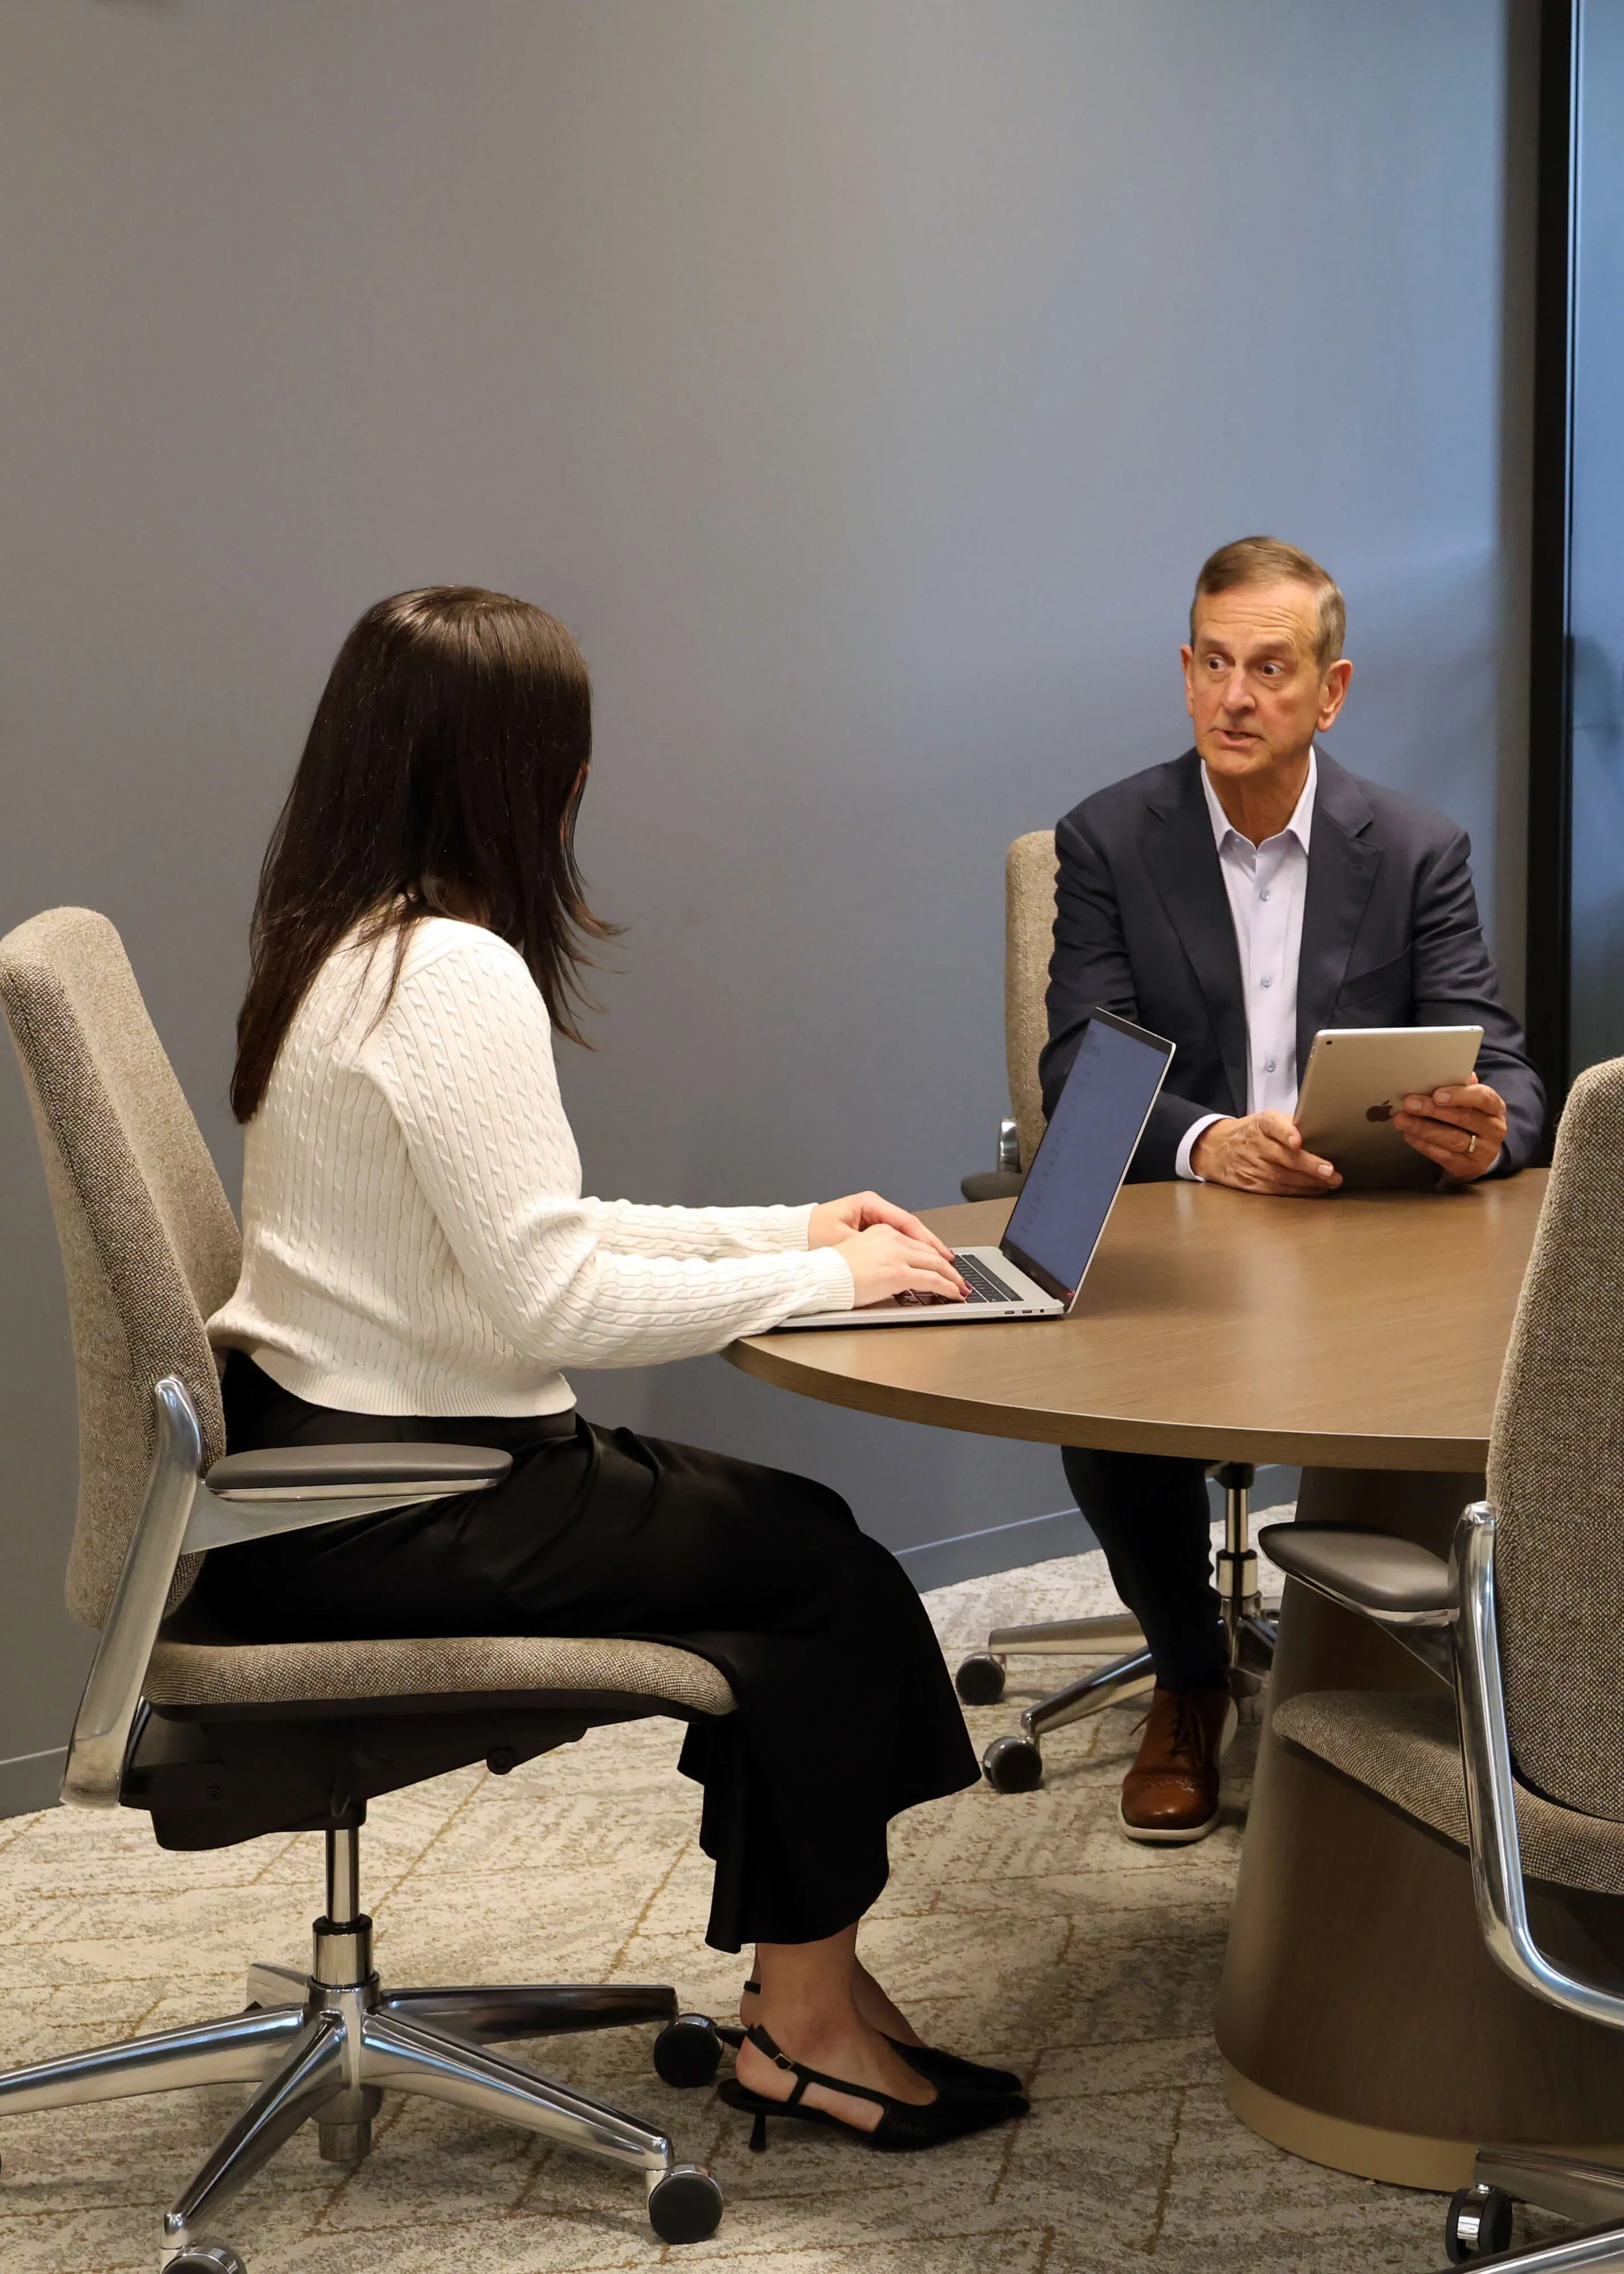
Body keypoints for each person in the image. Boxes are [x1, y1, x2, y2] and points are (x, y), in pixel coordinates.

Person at [201, 585, 1026, 2153]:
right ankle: (805, 2024)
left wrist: (782, 1229)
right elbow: (552, 1296)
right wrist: (819, 1279)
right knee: (824, 1576)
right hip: (403, 1498)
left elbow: (529, 1236)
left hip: (320, 1482)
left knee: (787, 1563)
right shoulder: (451, 971)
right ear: (522, 776)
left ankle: (810, 1998)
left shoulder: (340, 946)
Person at [1040, 536, 1544, 1845]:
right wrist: (1208, 1139)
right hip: (1188, 1231)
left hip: (1366, 1242)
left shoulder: (1416, 847)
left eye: (1269, 668)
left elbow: (1507, 1076)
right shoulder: (1105, 837)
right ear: (1184, 669)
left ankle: (1392, 1684)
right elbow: (1074, 1072)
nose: (1233, 697)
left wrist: (1478, 1133)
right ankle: (1187, 1673)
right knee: (1100, 1407)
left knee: (1488, 1370)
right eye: (1211, 663)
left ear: (1330, 691)